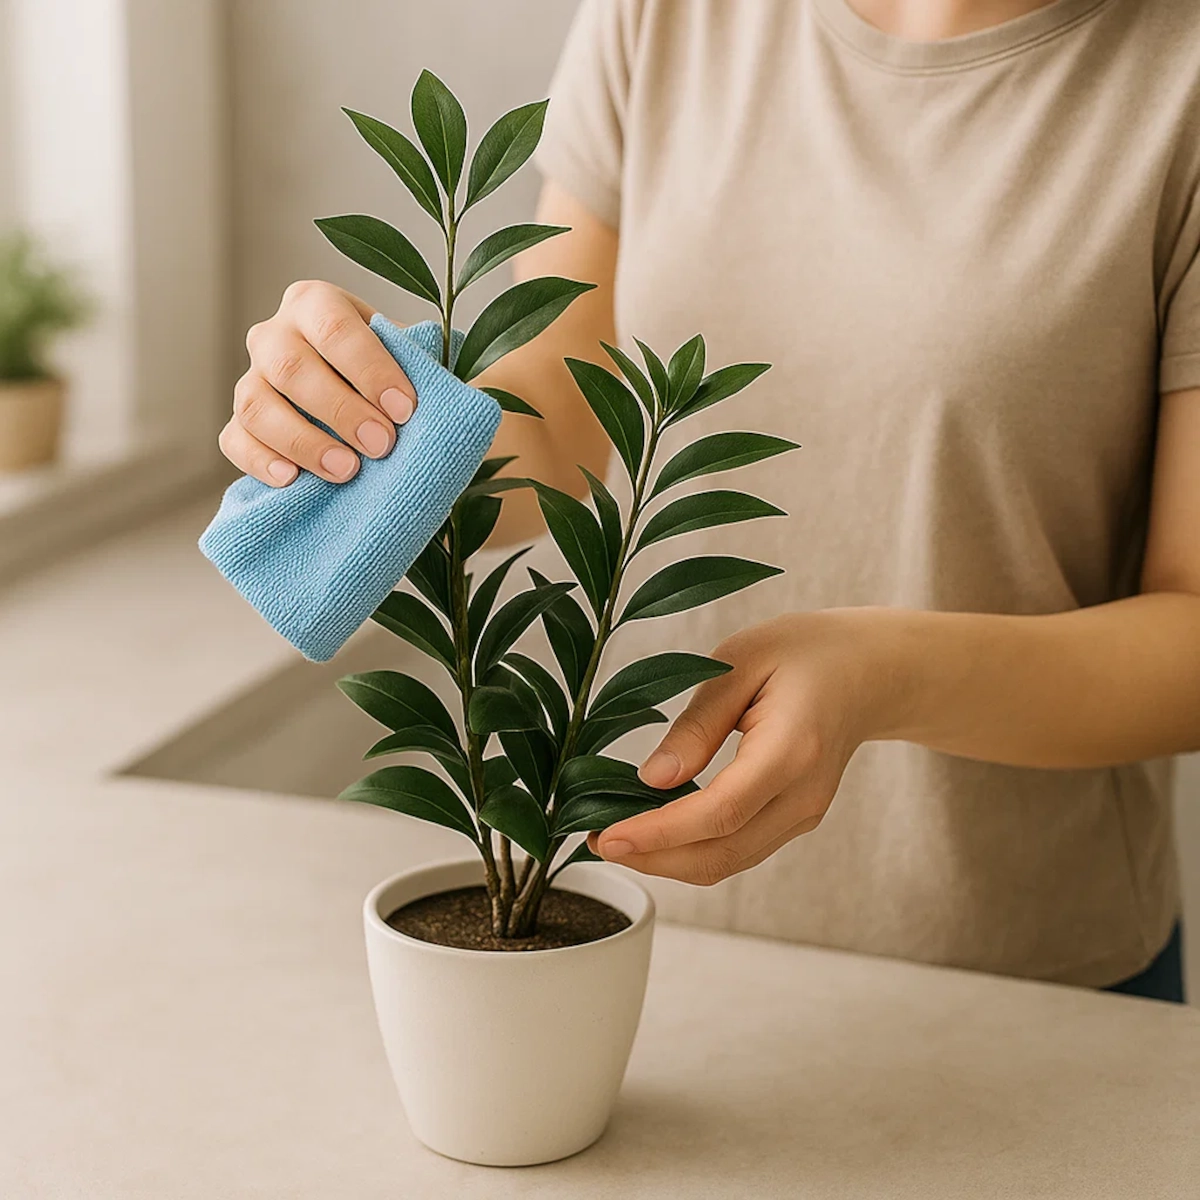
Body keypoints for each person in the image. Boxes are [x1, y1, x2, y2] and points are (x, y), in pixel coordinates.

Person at [217, 0, 1200, 1003]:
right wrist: (369, 425)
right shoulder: (664, 16)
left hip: (1031, 990)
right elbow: (557, 410)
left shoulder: (1177, 76)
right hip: (634, 936)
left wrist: (888, 677)